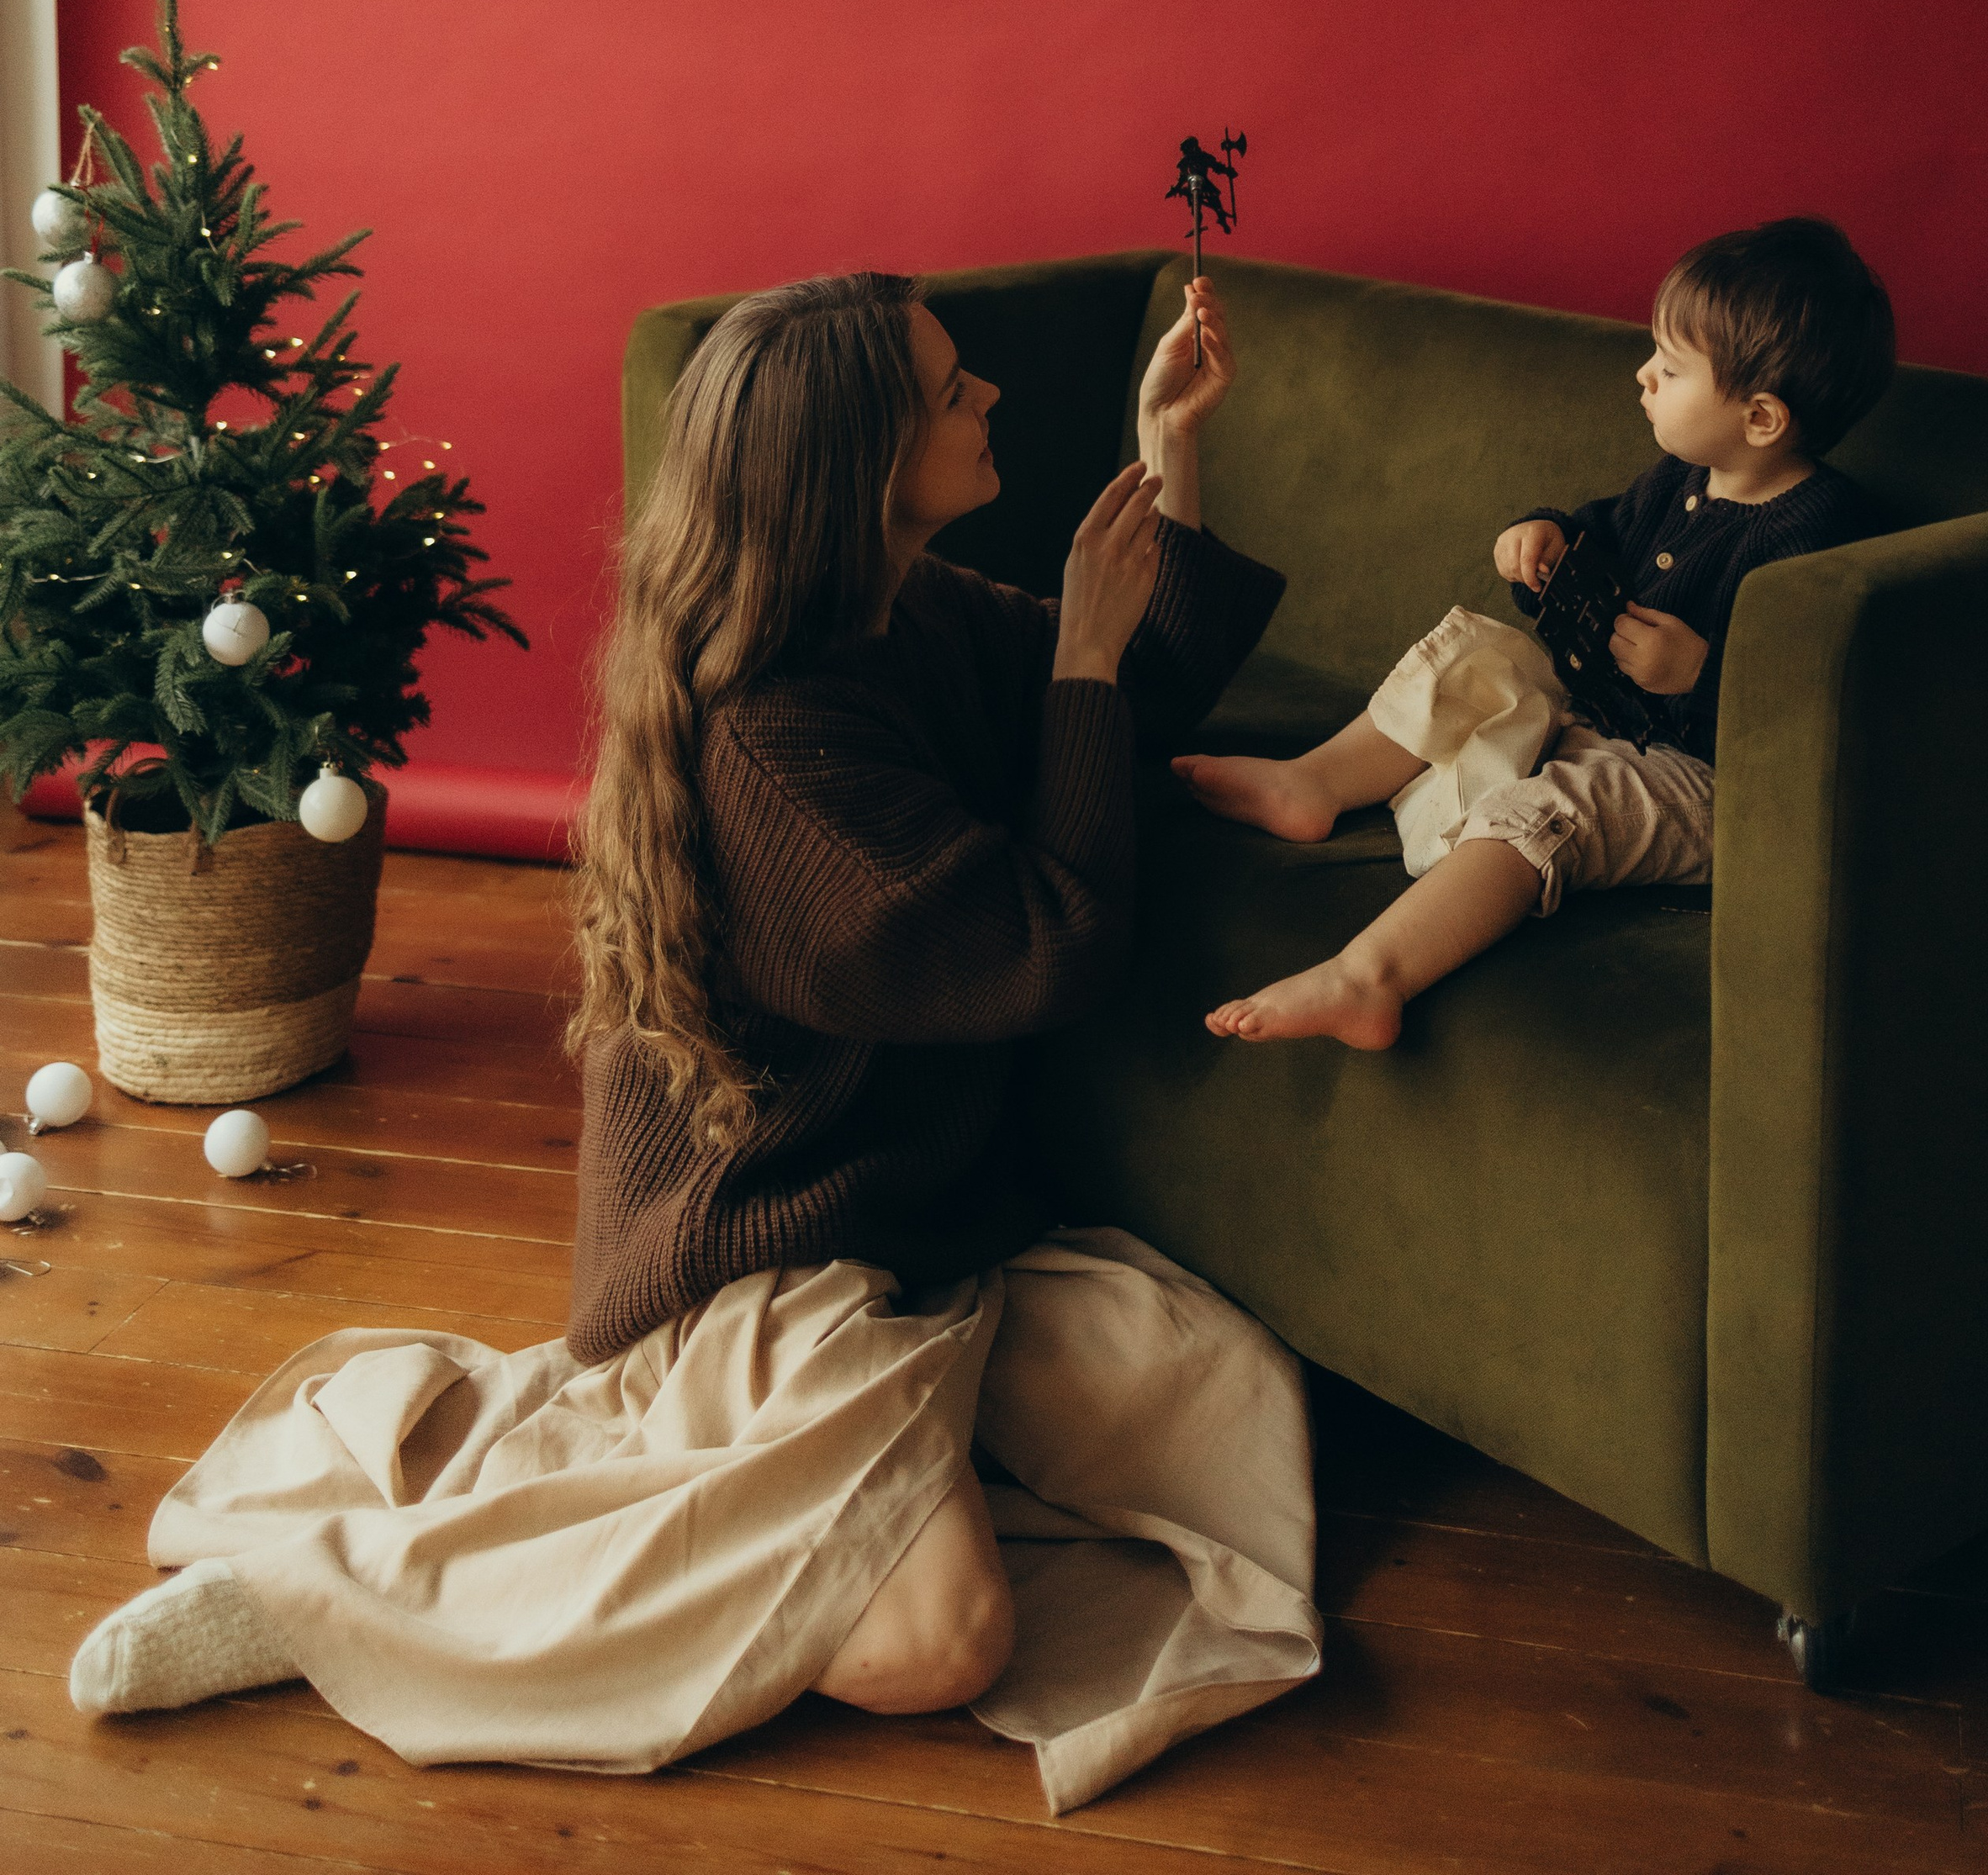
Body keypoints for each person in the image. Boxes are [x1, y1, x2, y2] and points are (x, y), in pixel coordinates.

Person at [69, 270, 1319, 1814]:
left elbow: (1126, 689)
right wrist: (1079, 662)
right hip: (768, 1252)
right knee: (944, 1640)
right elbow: (1046, 942)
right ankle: (347, 1597)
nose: (987, 396)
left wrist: (1166, 453)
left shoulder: (901, 610)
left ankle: (757, 1503)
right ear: (856, 465)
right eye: (948, 391)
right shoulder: (778, 746)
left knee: (1217, 1399)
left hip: (918, 1226)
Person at [1184, 217, 1895, 1051]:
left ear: (1763, 418)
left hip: (1710, 783)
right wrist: (1547, 537)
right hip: (1600, 708)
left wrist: (1702, 675)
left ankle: (1368, 976)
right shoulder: (1684, 475)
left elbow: (1824, 704)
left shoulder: (1822, 533)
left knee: (1550, 809)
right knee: (1482, 653)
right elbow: (1608, 536)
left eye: (1668, 369)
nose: (1642, 377)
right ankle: (1314, 783)